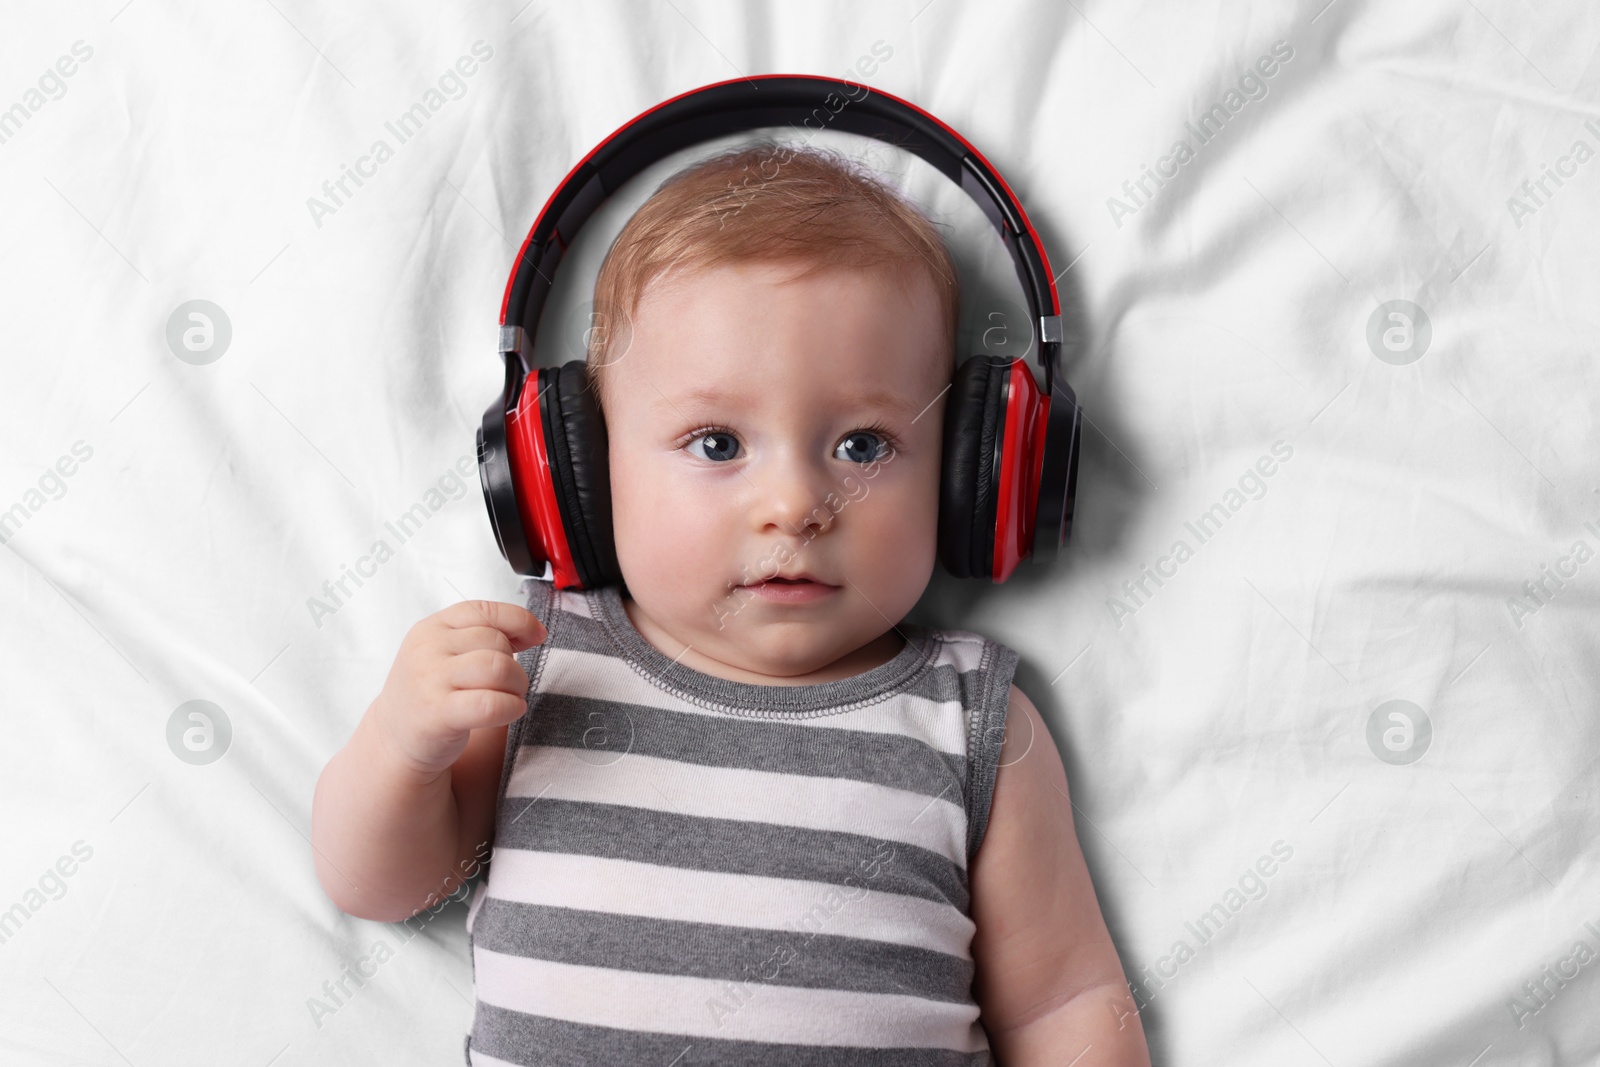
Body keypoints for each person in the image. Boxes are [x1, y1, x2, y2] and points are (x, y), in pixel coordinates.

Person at [312, 142, 1151, 1066]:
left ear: (972, 480)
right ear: (580, 474)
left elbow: (1064, 999)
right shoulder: (536, 673)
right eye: (716, 443)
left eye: (864, 446)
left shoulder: (976, 731)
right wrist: (402, 747)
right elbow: (382, 885)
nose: (795, 504)